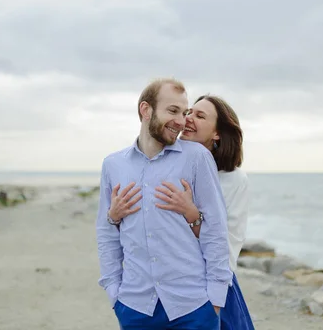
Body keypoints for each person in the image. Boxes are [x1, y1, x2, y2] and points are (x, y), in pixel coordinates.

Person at [96, 78, 232, 330]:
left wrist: (215, 297)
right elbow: (106, 232)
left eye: (184, 112)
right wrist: (114, 291)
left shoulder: (197, 158)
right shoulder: (113, 165)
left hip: (193, 307)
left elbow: (216, 228)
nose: (181, 121)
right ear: (146, 110)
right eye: (172, 111)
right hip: (135, 308)